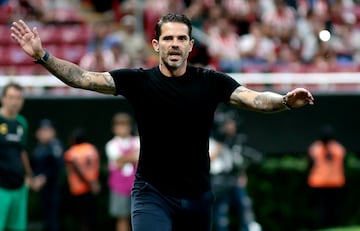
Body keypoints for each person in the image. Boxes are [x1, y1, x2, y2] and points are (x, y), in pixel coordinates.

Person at [10, 13, 314, 231]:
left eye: (181, 38)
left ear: (190, 45)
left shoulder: (211, 82)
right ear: (156, 44)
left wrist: (286, 100)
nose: (174, 44)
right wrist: (43, 56)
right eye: (168, 38)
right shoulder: (139, 82)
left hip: (197, 196)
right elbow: (83, 78)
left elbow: (254, 99)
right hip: (151, 193)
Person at [0, 82, 32, 231]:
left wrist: (29, 176)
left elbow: (22, 151)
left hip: (19, 186)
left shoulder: (22, 123)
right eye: (11, 97)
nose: (15, 101)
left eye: (18, 98)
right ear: (3, 99)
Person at [307, 124, 347, 229]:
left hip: (319, 183)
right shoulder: (339, 148)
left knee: (322, 208)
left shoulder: (315, 148)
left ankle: (323, 226)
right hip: (334, 182)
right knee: (332, 208)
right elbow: (344, 165)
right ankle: (332, 225)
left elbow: (309, 165)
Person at [105, 112, 140, 231]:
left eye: (125, 125)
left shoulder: (137, 141)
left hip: (137, 186)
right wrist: (132, 156)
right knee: (122, 217)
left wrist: (123, 158)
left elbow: (136, 158)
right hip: (119, 187)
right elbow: (119, 161)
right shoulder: (111, 145)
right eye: (119, 125)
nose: (122, 128)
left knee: (139, 216)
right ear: (114, 128)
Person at [63, 128, 101, 231]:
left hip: (78, 189)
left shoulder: (71, 152)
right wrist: (94, 183)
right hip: (92, 188)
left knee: (81, 220)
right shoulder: (92, 149)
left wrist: (89, 183)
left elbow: (75, 169)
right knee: (91, 218)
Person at [31, 118, 64, 231]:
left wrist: (44, 177)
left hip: (53, 187)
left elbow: (58, 165)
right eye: (42, 130)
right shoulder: (39, 147)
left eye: (47, 130)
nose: (44, 133)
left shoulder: (55, 145)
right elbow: (34, 165)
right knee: (45, 218)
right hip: (41, 189)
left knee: (53, 219)